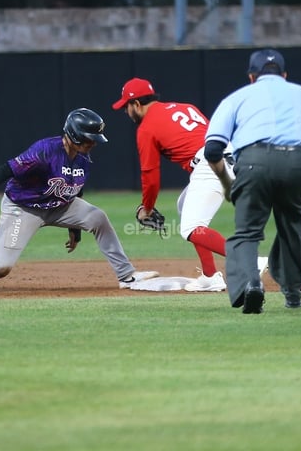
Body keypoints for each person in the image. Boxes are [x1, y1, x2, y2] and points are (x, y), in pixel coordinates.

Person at [0, 108, 158, 295]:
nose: (94, 143)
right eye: (91, 139)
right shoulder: (43, 152)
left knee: (97, 217)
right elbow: (3, 171)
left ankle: (127, 276)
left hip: (58, 206)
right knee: (0, 266)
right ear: (76, 135)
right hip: (24, 208)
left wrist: (75, 231)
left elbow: (74, 191)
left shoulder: (83, 157)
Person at [204, 49, 301, 313]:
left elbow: (212, 150)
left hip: (254, 160)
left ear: (252, 77)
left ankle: (250, 284)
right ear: (285, 75)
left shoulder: (237, 97)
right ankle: (293, 295)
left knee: (247, 232)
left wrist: (227, 184)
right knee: (293, 226)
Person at [111, 78, 262, 292]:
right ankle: (210, 277)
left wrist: (147, 208)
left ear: (136, 104)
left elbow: (150, 176)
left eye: (126, 106)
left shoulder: (146, 128)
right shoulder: (186, 107)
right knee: (185, 206)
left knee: (190, 228)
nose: (125, 111)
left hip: (210, 164)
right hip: (232, 158)